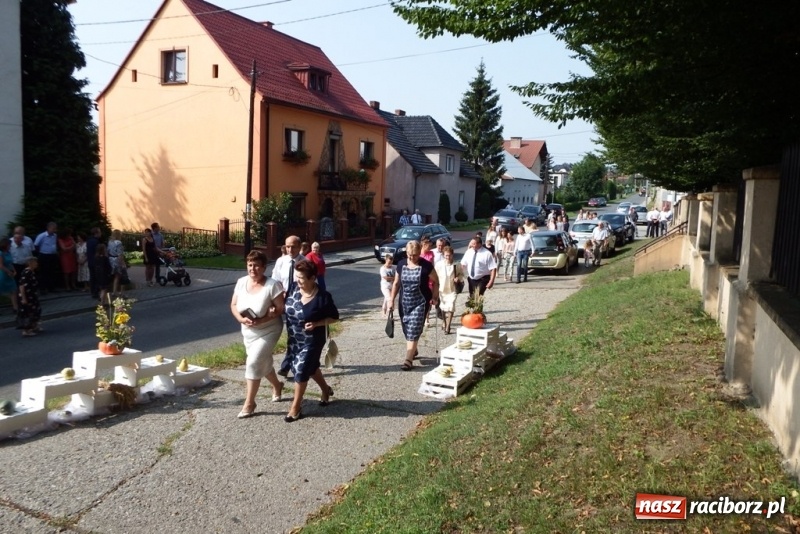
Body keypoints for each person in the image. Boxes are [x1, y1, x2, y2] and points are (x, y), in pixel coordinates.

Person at [230, 250, 286, 419]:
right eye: (250, 265)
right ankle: (277, 385)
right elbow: (233, 305)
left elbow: (280, 308)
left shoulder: (272, 285)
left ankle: (249, 403)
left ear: (263, 267)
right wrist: (241, 319)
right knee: (263, 361)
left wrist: (270, 313)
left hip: (269, 330)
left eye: (256, 265)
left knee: (253, 361)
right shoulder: (241, 282)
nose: (252, 268)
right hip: (248, 331)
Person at [282, 259, 339, 422]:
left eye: (301, 278)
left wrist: (317, 323)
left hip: (313, 340)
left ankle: (295, 407)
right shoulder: (293, 288)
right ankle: (326, 390)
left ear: (313, 278)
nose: (297, 281)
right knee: (311, 367)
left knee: (301, 369)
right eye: (297, 277)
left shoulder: (323, 297)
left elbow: (335, 317)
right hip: (294, 338)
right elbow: (285, 307)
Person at [388, 241, 439, 371]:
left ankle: (408, 360)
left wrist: (434, 296)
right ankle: (413, 350)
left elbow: (436, 281)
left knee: (414, 329)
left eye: (415, 255)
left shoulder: (426, 266)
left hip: (420, 302)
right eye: (410, 255)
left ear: (420, 252)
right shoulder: (401, 264)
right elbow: (396, 283)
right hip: (404, 302)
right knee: (407, 329)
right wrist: (391, 300)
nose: (412, 258)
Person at [434, 245, 462, 334]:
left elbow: (461, 274)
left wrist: (458, 278)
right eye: (446, 255)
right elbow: (434, 276)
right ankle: (444, 321)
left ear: (452, 255)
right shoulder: (439, 265)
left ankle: (448, 326)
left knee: (451, 307)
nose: (448, 257)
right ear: (443, 255)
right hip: (442, 290)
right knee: (443, 307)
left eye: (449, 255)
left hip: (452, 289)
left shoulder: (456, 264)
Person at [17, 257, 41, 337]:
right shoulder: (26, 272)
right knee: (28, 312)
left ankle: (34, 326)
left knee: (35, 311)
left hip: (32, 295)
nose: (37, 264)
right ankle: (26, 330)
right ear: (30, 263)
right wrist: (23, 298)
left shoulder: (32, 272)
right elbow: (22, 286)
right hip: (27, 296)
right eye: (35, 262)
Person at [33, 222, 58, 293]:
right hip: (44, 255)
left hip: (52, 255)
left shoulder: (55, 235)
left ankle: (51, 288)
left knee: (52, 272)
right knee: (44, 272)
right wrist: (40, 253)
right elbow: (36, 245)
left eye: (55, 229)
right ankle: (42, 288)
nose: (55, 230)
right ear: (48, 228)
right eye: (53, 229)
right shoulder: (42, 236)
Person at [0, 238, 18, 313]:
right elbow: (0, 265)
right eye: (9, 245)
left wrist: (14, 270)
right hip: (2, 274)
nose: (10, 246)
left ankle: (15, 308)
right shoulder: (1, 253)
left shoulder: (8, 252)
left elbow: (10, 262)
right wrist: (8, 272)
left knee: (13, 290)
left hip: (9, 273)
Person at [107, 229, 127, 297]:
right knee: (121, 276)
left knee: (116, 276)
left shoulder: (110, 242)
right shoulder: (119, 242)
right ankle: (121, 292)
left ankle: (114, 291)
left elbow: (108, 251)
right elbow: (120, 254)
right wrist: (123, 263)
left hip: (111, 259)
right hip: (117, 260)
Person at [86, 227, 101, 298]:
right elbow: (97, 253)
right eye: (99, 232)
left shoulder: (89, 241)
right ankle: (96, 292)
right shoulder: (96, 241)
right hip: (95, 262)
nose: (101, 234)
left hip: (90, 262)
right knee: (97, 277)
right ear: (96, 233)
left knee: (92, 277)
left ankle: (92, 292)